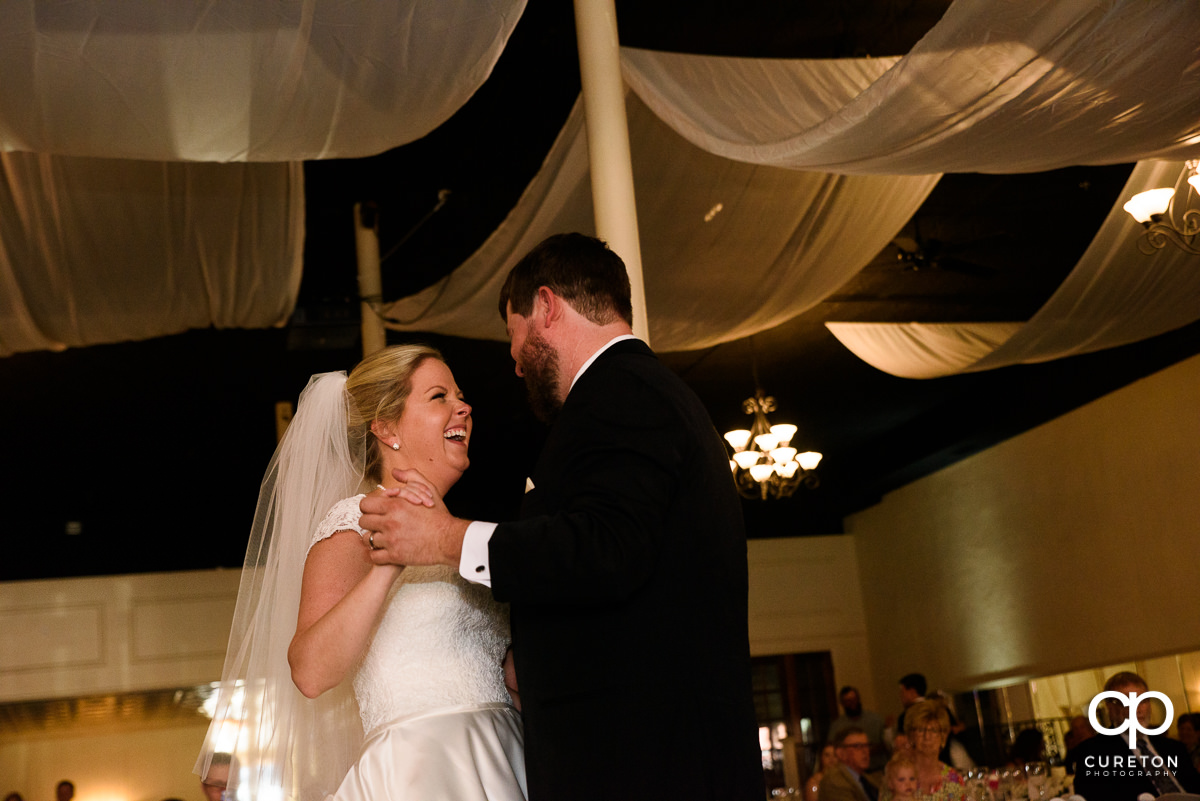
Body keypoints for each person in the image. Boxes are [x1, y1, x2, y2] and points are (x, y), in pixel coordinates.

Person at [359, 233, 764, 800]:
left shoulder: (620, 393)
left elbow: (605, 548)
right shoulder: (632, 394)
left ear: (546, 307)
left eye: (513, 332)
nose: (514, 360)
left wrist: (448, 539)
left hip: (647, 765)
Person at [197, 345, 526, 800]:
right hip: (421, 771)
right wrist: (388, 566)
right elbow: (310, 671)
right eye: (439, 397)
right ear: (387, 428)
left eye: (460, 395)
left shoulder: (462, 540)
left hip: (503, 755)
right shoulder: (354, 524)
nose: (463, 407)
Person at [1072, 671, 1200, 801]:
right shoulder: (1093, 751)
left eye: (1142, 701)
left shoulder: (1174, 747)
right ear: (1110, 709)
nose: (1137, 709)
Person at [904, 699, 965, 801]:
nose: (927, 736)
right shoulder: (897, 776)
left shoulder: (954, 779)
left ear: (943, 736)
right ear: (911, 736)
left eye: (934, 730)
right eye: (921, 730)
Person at [829, 686, 889, 772]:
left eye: (854, 699)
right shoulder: (837, 725)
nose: (852, 703)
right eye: (848, 701)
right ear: (842, 704)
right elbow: (832, 748)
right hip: (851, 772)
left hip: (877, 769)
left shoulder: (875, 719)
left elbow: (887, 744)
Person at [819, 728, 881, 801]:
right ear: (841, 753)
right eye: (857, 746)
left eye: (867, 745)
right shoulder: (834, 780)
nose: (865, 751)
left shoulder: (867, 778)